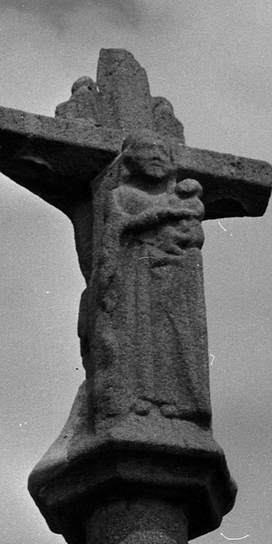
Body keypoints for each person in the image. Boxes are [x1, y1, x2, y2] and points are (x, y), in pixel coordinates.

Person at [86, 131, 212, 426]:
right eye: (147, 149)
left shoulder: (179, 198)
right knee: (136, 333)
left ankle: (178, 399)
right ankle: (138, 397)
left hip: (174, 275)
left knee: (173, 335)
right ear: (129, 159)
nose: (157, 155)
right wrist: (159, 215)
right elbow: (117, 226)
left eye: (163, 151)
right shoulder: (122, 195)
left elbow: (194, 235)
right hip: (135, 273)